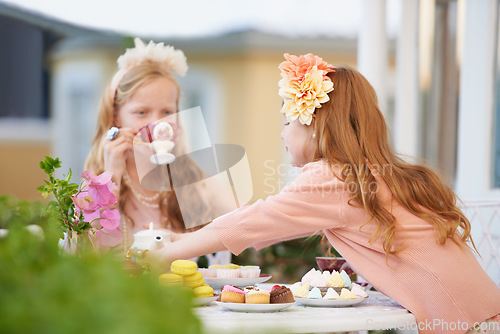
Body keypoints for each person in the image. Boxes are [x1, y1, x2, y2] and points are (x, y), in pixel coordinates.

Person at [150, 53, 500, 334]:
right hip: (480, 313)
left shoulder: (332, 176)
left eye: (288, 121)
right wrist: (181, 238)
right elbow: (268, 222)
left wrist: (166, 254)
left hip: (462, 323)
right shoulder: (368, 171)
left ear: (314, 124)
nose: (283, 133)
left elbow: (254, 221)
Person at [84, 38, 234, 259]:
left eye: (166, 112)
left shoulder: (192, 179)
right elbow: (88, 251)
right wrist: (111, 175)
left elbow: (245, 222)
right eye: (142, 112)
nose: (156, 124)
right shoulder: (96, 185)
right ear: (115, 116)